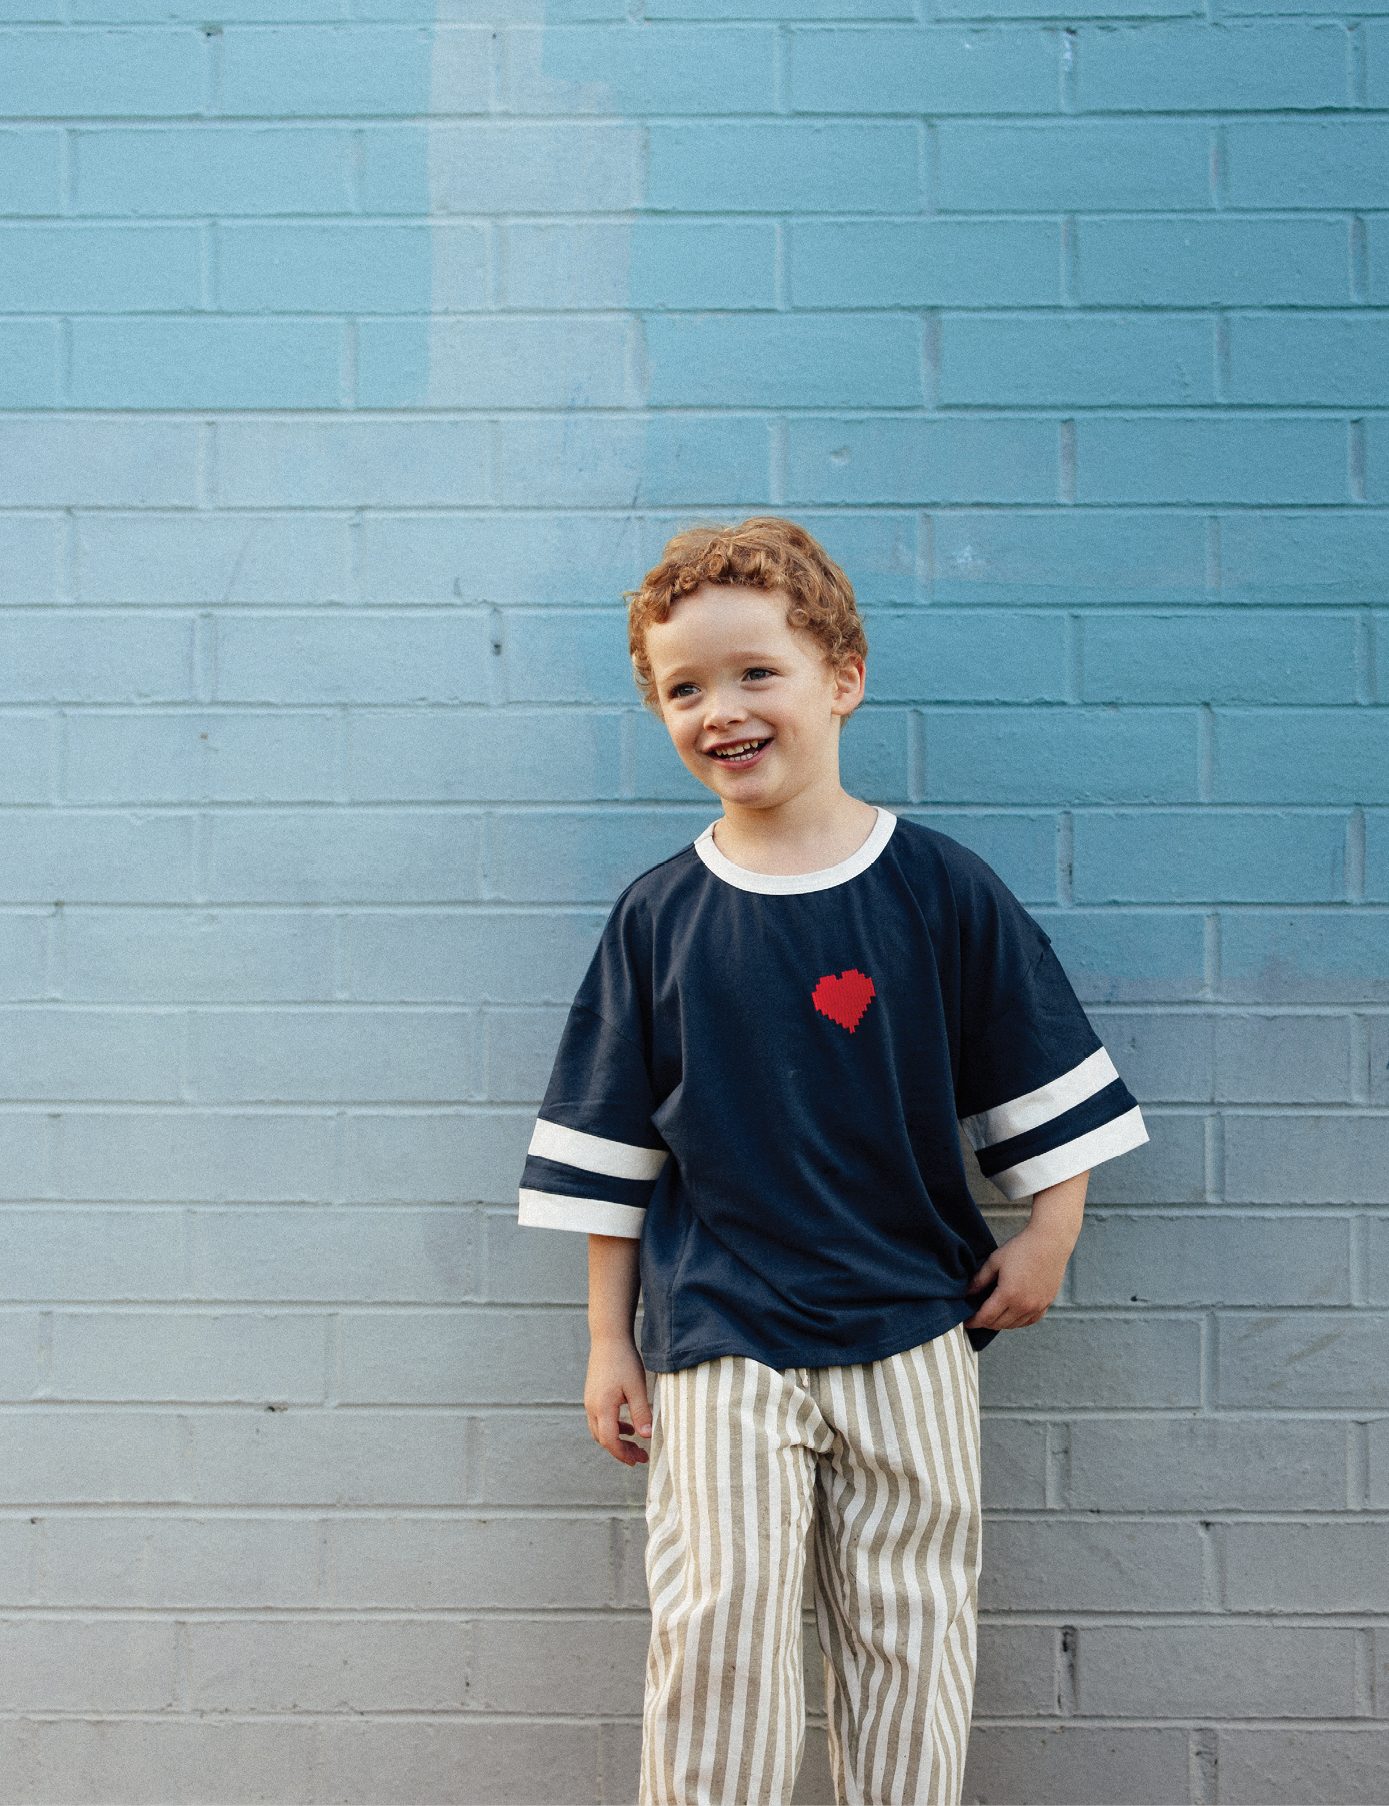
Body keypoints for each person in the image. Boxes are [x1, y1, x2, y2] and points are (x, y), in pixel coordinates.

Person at [517, 518, 1147, 1806]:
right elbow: (612, 1148)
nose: (721, 711)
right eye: (683, 689)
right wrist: (605, 1339)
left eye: (758, 673)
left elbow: (1041, 1066)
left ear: (842, 679)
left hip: (916, 1327)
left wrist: (1051, 1236)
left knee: (909, 1637)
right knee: (720, 1635)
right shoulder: (659, 917)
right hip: (718, 1335)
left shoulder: (932, 888)